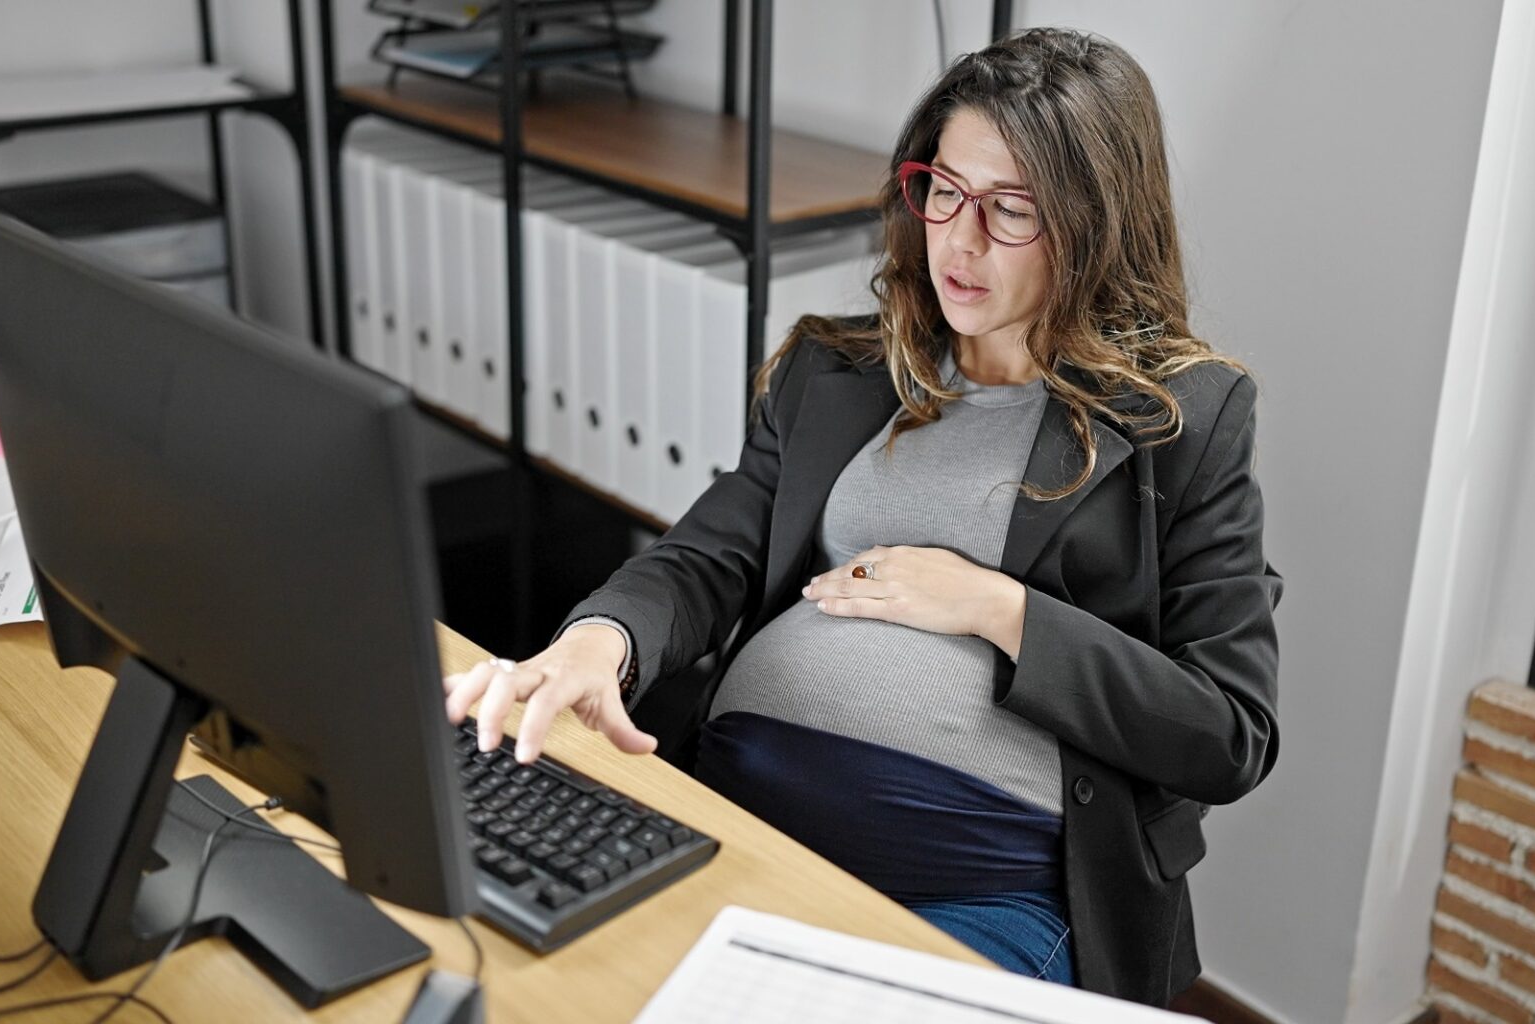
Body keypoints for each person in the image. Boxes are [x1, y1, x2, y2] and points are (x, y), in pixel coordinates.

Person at [442, 27, 1281, 1008]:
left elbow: (1229, 731)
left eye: (1011, 210)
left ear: (1095, 223)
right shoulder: (834, 372)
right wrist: (600, 641)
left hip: (985, 884)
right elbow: (708, 553)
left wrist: (998, 607)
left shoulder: (1184, 420)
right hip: (741, 824)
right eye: (944, 190)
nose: (959, 241)